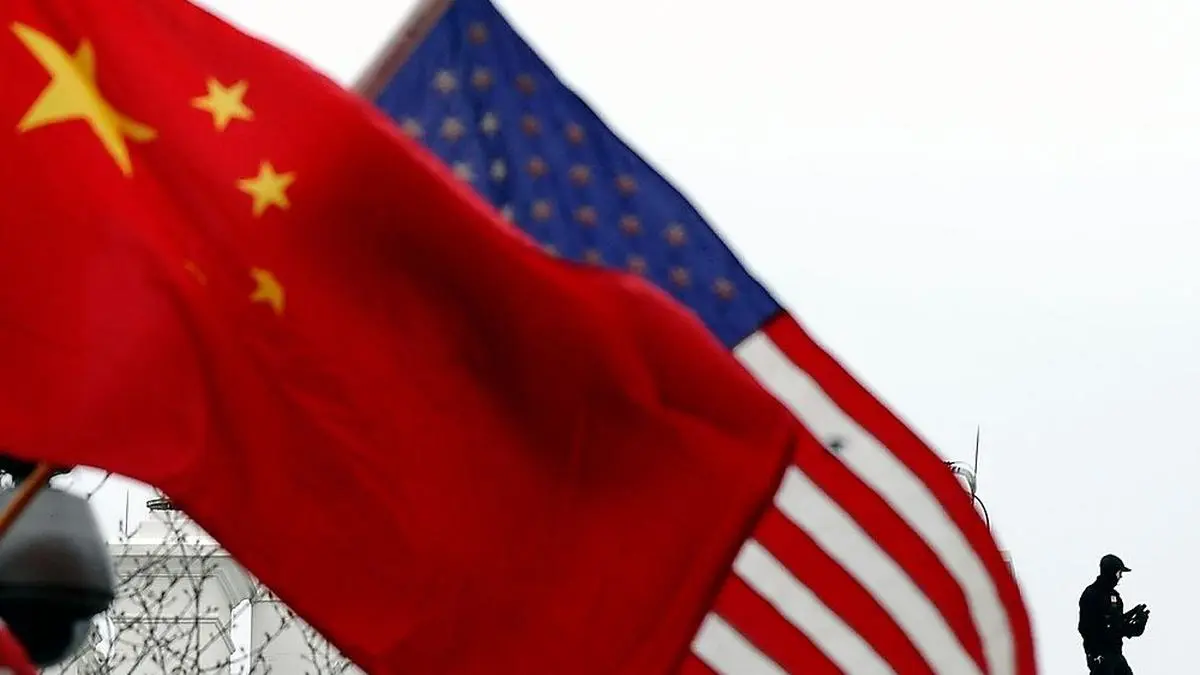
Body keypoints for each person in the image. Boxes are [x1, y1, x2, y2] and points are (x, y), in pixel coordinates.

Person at [1078, 554, 1149, 674]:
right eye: (1119, 573)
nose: (1120, 577)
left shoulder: (1115, 597)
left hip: (1116, 654)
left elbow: (1118, 626)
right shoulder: (1092, 594)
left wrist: (1136, 625)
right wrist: (1096, 653)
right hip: (1100, 656)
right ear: (1111, 572)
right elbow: (1086, 628)